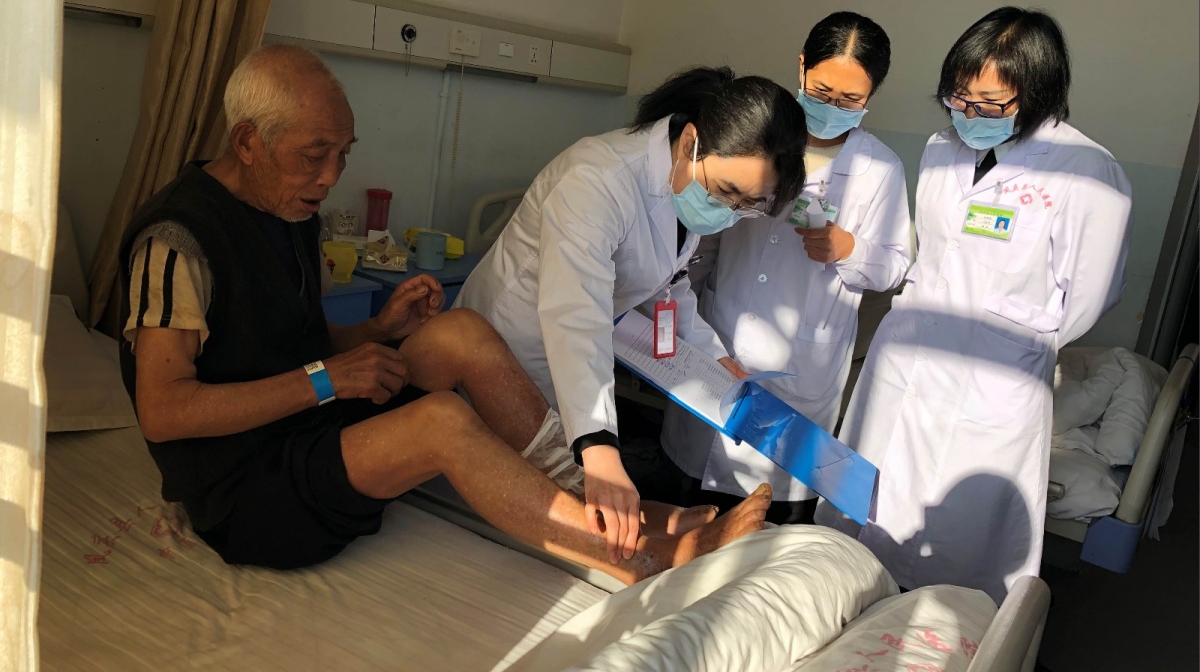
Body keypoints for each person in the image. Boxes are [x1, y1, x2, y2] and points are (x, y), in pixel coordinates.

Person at [118, 45, 770, 583]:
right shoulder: (179, 242)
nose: (331, 176)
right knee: (441, 420)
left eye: (343, 154)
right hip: (250, 487)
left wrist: (377, 332)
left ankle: (630, 514)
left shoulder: (289, 212)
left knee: (459, 331)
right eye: (314, 156)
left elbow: (291, 340)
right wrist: (325, 379)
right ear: (248, 142)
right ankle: (638, 559)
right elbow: (163, 409)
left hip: (307, 428)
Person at [817, 7, 1132, 603]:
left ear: (1037, 95)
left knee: (962, 549)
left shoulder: (1088, 171)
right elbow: (932, 254)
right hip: (905, 361)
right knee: (867, 513)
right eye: (958, 97)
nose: (967, 114)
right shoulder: (941, 148)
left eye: (989, 104)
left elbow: (1093, 295)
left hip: (996, 378)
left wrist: (1011, 334)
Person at [456, 67, 807, 563]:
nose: (730, 211)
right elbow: (575, 312)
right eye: (727, 192)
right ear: (691, 142)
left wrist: (713, 356)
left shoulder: (683, 186)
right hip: (513, 341)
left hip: (575, 361)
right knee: (536, 468)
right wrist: (600, 445)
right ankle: (659, 547)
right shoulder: (598, 178)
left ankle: (661, 527)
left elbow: (668, 284)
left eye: (749, 204)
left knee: (555, 469)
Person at [659, 12, 911, 524]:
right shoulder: (759, 136)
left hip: (801, 366)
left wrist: (849, 249)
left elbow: (894, 267)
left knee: (768, 515)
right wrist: (672, 302)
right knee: (684, 500)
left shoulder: (880, 168)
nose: (832, 108)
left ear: (872, 94)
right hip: (718, 332)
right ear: (801, 69)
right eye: (821, 92)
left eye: (849, 100)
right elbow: (707, 235)